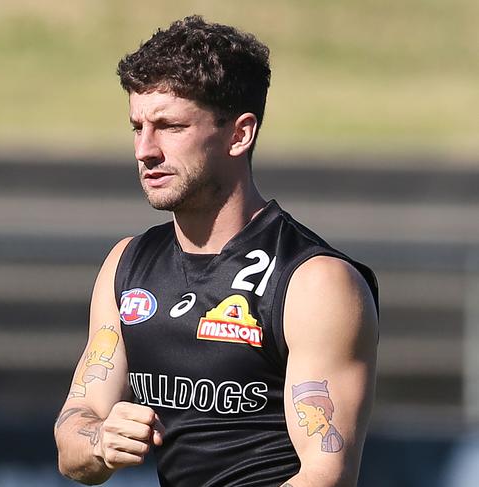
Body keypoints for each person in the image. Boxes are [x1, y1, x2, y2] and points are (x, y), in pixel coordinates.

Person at [54, 15, 379, 487]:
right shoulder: (127, 265)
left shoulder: (314, 281)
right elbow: (73, 441)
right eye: (137, 127)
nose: (145, 150)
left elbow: (327, 475)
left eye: (169, 126)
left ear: (239, 134)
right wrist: (101, 439)